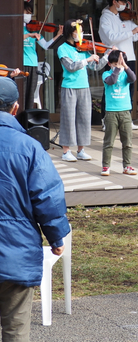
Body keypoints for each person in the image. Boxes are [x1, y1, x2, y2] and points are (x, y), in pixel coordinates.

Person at [0, 77, 70, 342]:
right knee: (16, 331)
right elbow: (47, 197)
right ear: (15, 108)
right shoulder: (30, 147)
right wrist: (56, 237)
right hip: (17, 252)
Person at [98, 0, 138, 129]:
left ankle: (127, 120)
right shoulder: (105, 18)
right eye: (123, 2)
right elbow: (111, 37)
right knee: (111, 88)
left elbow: (136, 35)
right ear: (115, 2)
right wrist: (131, 31)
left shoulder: (124, 18)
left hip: (129, 57)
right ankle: (106, 120)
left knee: (128, 88)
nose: (125, 5)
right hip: (113, 57)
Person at [57, 19, 109, 162]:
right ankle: (66, 151)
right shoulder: (62, 49)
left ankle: (81, 150)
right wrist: (88, 60)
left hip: (84, 87)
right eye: (78, 31)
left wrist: (107, 56)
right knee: (68, 118)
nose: (81, 34)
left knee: (84, 118)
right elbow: (71, 66)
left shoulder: (83, 48)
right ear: (70, 32)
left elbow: (95, 67)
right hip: (69, 88)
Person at [101, 50, 136, 177]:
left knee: (127, 141)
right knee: (108, 142)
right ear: (109, 64)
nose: (118, 66)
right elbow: (112, 81)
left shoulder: (126, 73)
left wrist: (125, 67)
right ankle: (106, 166)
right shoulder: (106, 74)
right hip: (111, 113)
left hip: (125, 112)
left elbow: (133, 78)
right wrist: (117, 69)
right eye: (115, 64)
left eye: (119, 63)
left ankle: (127, 166)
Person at [22, 1, 63, 110]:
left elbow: (45, 45)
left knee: (31, 94)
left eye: (30, 12)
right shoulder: (18, 29)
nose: (28, 15)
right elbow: (16, 38)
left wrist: (57, 36)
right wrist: (29, 35)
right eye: (26, 12)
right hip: (22, 64)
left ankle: (27, 119)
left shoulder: (34, 28)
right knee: (22, 93)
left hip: (33, 64)